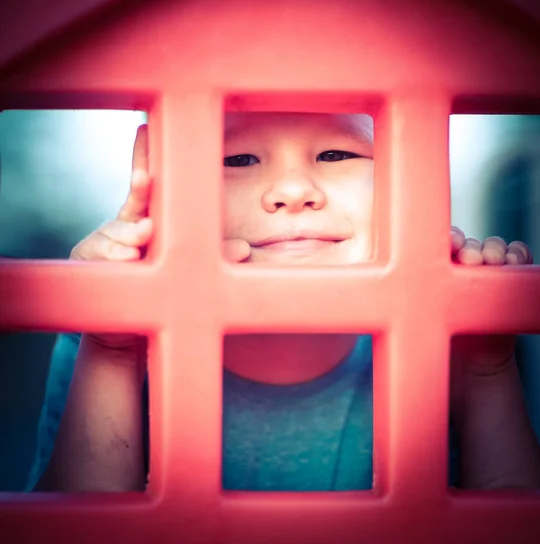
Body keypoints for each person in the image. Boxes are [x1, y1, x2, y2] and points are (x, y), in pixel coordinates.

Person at [27, 113, 540, 492]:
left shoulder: (450, 335)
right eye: (237, 159)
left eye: (337, 155)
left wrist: (487, 369)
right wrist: (112, 351)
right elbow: (78, 525)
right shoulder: (109, 323)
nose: (293, 191)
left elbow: (510, 522)